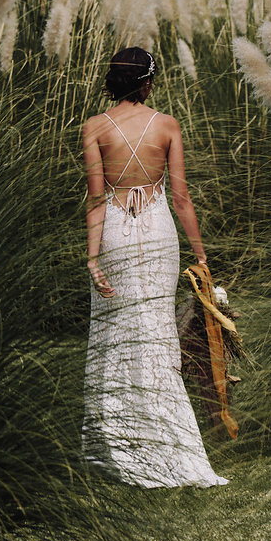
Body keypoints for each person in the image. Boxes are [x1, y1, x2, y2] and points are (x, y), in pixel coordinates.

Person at [80, 46, 228, 488]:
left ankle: (116, 447)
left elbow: (94, 200)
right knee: (156, 332)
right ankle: (167, 446)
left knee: (115, 332)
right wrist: (200, 253)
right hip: (158, 235)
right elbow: (181, 198)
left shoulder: (93, 127)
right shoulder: (166, 125)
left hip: (114, 237)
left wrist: (92, 258)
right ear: (147, 81)